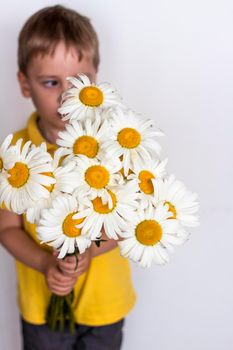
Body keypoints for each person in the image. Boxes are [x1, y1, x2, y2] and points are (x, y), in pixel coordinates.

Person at [0, 5, 136, 350]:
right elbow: (7, 228)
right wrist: (47, 262)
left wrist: (91, 250)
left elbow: (128, 219)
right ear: (24, 84)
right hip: (42, 308)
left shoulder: (116, 143)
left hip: (105, 303)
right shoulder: (15, 154)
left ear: (95, 80)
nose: (65, 97)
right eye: (50, 82)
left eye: (78, 82)